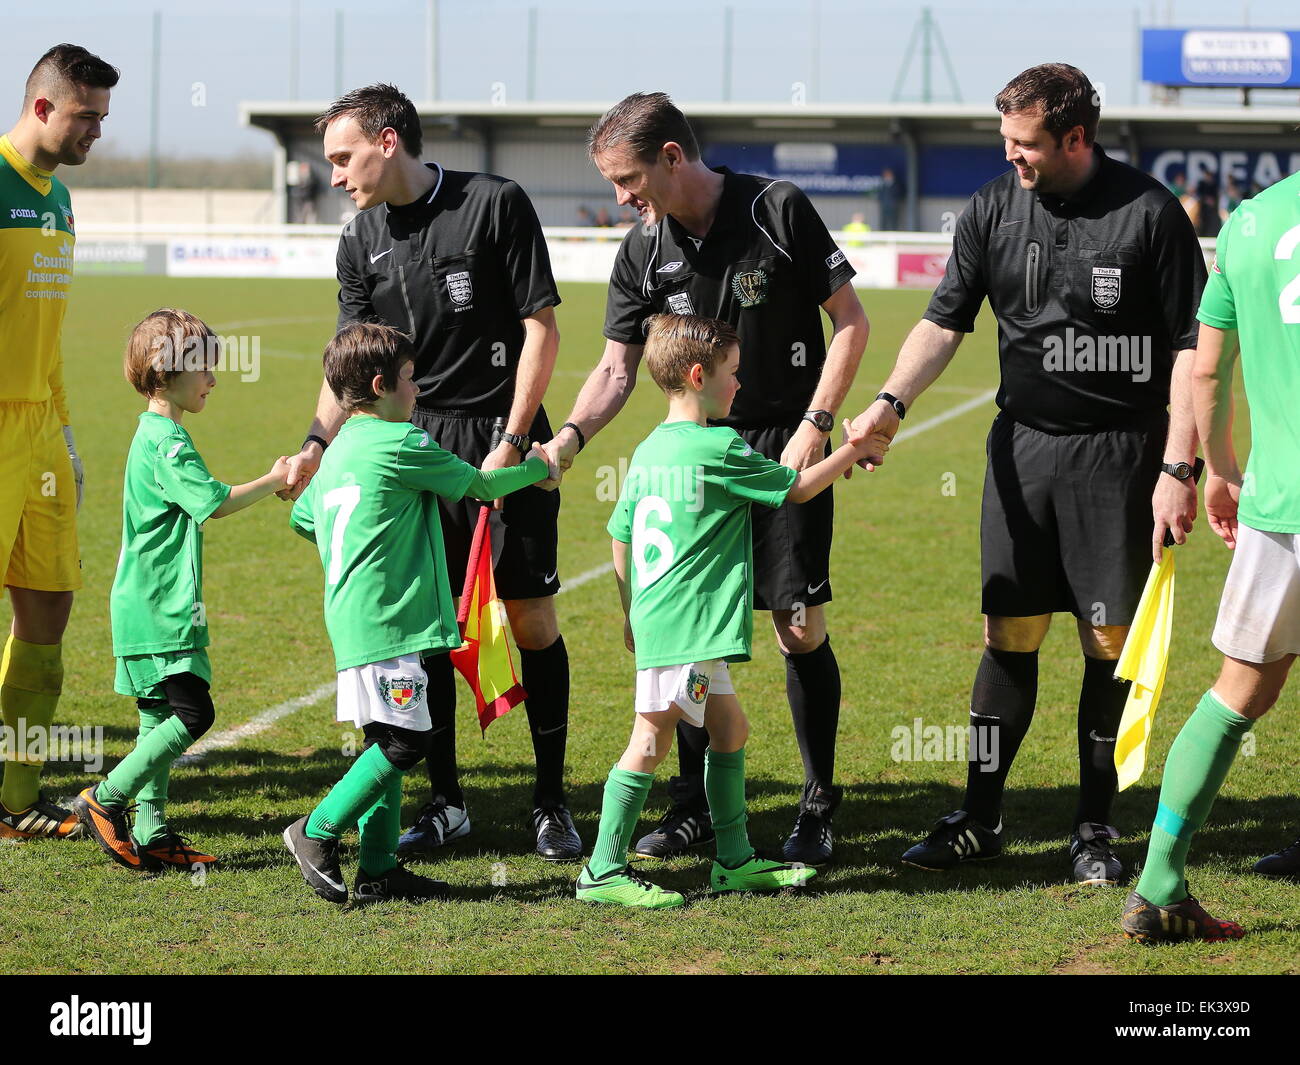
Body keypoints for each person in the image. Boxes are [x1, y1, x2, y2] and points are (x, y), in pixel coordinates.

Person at [848, 63, 1205, 884]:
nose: (1011, 156)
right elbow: (945, 321)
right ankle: (979, 814)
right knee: (1006, 634)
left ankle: (1093, 829)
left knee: (1108, 643)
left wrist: (1180, 465)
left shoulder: (1149, 214)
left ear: (1076, 137)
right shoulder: (990, 208)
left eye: (1026, 143)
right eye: (1004, 140)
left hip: (1122, 455)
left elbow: (1194, 349)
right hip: (1023, 450)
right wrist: (889, 404)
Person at [541, 92, 869, 865]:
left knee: (798, 627)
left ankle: (818, 803)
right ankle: (692, 803)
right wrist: (569, 439)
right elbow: (617, 366)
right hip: (691, 454)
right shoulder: (642, 251)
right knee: (692, 633)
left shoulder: (776, 209)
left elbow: (850, 320)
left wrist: (816, 424)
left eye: (627, 179)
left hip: (779, 439)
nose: (621, 198)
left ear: (672, 158)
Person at [282, 83, 579, 861]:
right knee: (427, 629)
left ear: (388, 140)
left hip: (501, 430)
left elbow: (540, 330)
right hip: (412, 447)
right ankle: (447, 801)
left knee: (531, 618)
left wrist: (514, 440)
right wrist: (316, 444)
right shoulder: (359, 240)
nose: (336, 174)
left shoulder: (494, 204)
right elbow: (346, 364)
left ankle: (551, 800)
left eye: (343, 157)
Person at [578, 314, 884, 907]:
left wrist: (629, 612)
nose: (740, 386)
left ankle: (734, 861)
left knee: (730, 728)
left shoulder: (647, 450)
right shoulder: (718, 446)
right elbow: (794, 489)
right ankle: (602, 867)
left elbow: (620, 534)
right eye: (733, 374)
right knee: (650, 738)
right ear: (698, 375)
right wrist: (853, 449)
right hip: (689, 627)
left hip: (670, 620)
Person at [285, 323, 558, 904]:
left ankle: (379, 867)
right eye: (411, 379)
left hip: (355, 618)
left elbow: (303, 518)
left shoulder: (337, 454)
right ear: (381, 385)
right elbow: (481, 485)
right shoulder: (401, 443)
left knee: (384, 738)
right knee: (409, 742)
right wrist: (541, 464)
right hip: (392, 622)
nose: (420, 390)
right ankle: (315, 830)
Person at [1120, 164, 1300, 942]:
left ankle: (1158, 881)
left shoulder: (1251, 223)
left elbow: (1204, 366)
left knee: (1236, 693)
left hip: (1278, 500)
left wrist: (1219, 469)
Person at [73, 310, 291, 870]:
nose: (213, 381)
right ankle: (107, 798)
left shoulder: (153, 433)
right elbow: (214, 503)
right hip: (161, 605)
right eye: (205, 370)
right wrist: (274, 480)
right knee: (194, 713)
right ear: (169, 371)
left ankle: (152, 830)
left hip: (142, 602)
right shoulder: (167, 441)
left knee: (156, 712)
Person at [0, 44, 117, 840]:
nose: (96, 133)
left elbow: (46, 336)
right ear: (43, 107)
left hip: (40, 429)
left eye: (103, 120)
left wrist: (66, 436)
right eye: (86, 117)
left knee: (48, 610)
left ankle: (14, 801)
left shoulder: (63, 202)